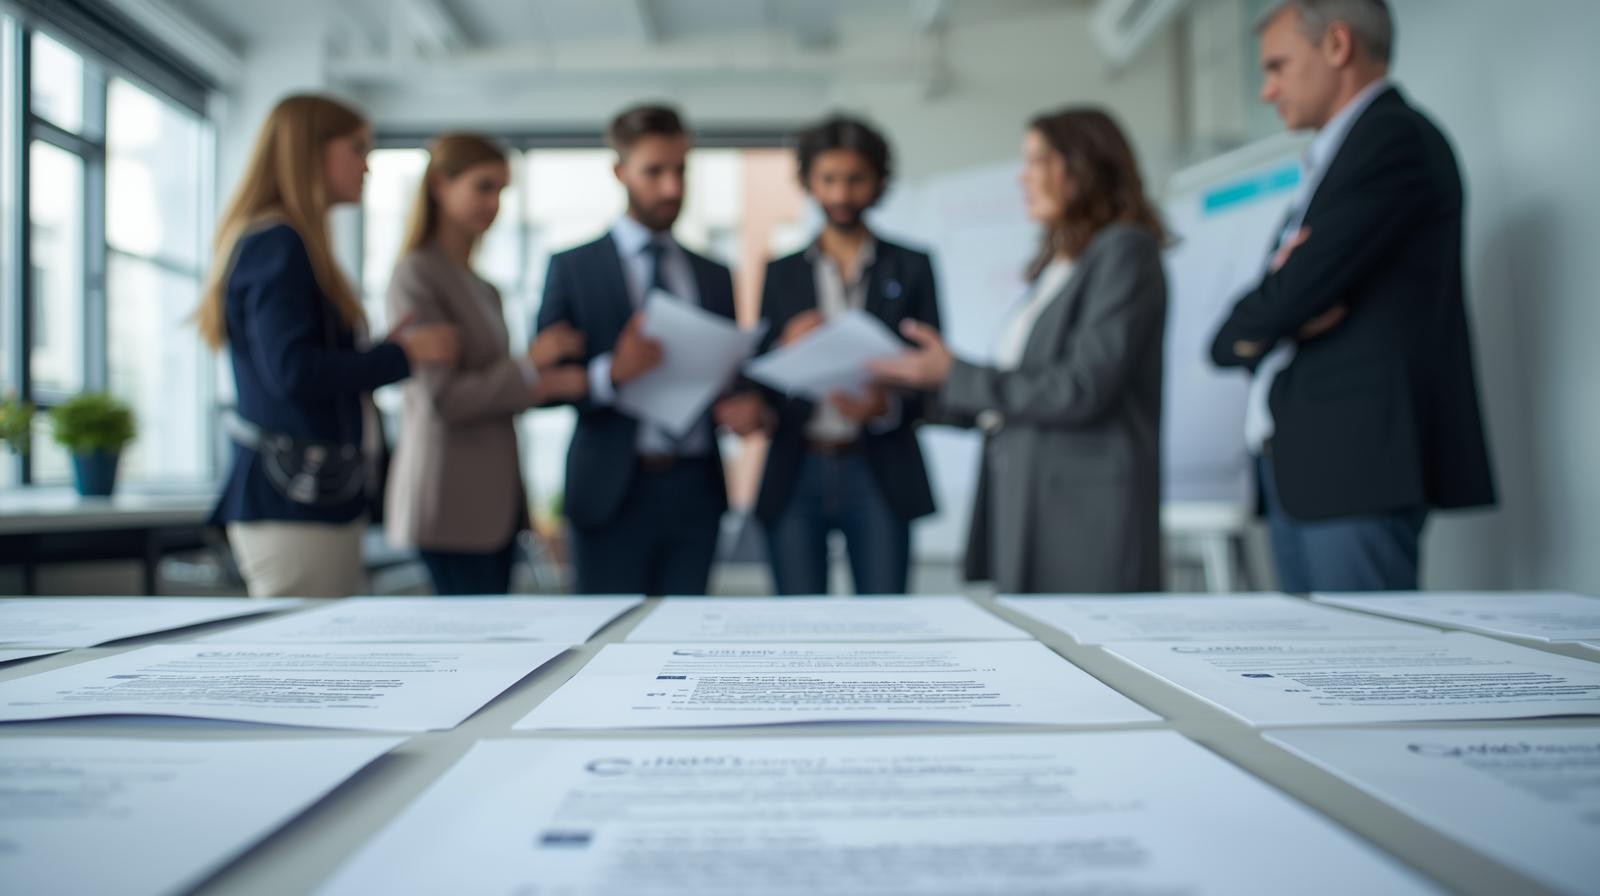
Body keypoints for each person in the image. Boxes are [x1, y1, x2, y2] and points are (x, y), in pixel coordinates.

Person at [1209, 0, 1496, 593]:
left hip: (1353, 467)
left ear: (1337, 46)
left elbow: (1284, 298)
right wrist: (1283, 307)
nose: (1267, 91)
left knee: (1365, 673)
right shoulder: (1335, 160)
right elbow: (1257, 318)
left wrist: (1281, 305)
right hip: (1309, 466)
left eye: (1278, 67)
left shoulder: (1389, 139)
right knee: (1314, 674)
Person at [871, 107, 1168, 594]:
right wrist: (914, 385)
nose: (1022, 176)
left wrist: (954, 373)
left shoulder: (1124, 252)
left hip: (1083, 513)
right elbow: (1019, 394)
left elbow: (1080, 389)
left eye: (1037, 161)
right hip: (1031, 500)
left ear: (1083, 166)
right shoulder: (1062, 263)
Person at [198, 94, 460, 598]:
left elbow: (297, 363)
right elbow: (295, 372)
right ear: (309, 151)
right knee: (301, 666)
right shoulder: (280, 244)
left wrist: (388, 351)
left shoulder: (283, 242)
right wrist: (402, 356)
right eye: (356, 148)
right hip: (293, 502)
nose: (366, 165)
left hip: (304, 497)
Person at [534, 103, 741, 596]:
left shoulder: (714, 274)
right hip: (610, 490)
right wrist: (612, 372)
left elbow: (728, 372)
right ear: (620, 171)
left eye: (680, 171)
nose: (672, 187)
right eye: (655, 172)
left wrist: (742, 399)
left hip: (696, 491)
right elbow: (543, 385)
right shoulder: (572, 268)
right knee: (605, 646)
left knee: (686, 643)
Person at [743, 115, 942, 595]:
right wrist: (782, 348)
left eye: (855, 180)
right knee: (796, 624)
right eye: (829, 180)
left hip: (880, 468)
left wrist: (887, 407)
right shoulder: (781, 272)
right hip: (797, 466)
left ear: (877, 182)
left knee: (884, 620)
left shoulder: (912, 267)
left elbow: (935, 374)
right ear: (809, 182)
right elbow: (759, 382)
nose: (841, 194)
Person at [384, 133, 589, 595]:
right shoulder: (417, 274)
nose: (494, 203)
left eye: (501, 190)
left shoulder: (484, 288)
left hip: (494, 504)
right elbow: (443, 399)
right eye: (483, 186)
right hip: (450, 501)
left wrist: (544, 380)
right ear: (440, 185)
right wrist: (529, 367)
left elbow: (493, 388)